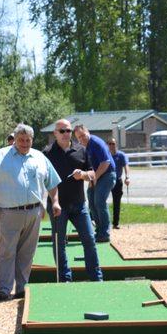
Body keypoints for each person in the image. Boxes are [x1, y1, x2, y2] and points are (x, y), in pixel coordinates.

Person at [0, 124, 61, 301]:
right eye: (21, 140)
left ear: (32, 140)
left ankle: (22, 287)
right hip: (8, 212)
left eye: (28, 140)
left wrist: (55, 201)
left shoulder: (39, 157)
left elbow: (52, 182)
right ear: (14, 140)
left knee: (27, 252)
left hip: (34, 211)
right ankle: (4, 288)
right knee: (6, 251)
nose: (24, 143)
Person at [43, 119, 103, 281]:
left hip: (79, 205)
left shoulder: (82, 150)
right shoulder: (47, 153)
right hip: (57, 206)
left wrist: (83, 175)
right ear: (55, 133)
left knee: (89, 239)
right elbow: (42, 180)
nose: (65, 134)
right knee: (59, 243)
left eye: (68, 130)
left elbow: (93, 175)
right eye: (61, 131)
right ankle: (65, 278)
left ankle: (96, 277)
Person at [73, 124, 117, 242]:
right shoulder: (85, 147)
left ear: (88, 131)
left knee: (99, 201)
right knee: (91, 201)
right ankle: (99, 231)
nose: (81, 139)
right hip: (98, 175)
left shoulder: (96, 142)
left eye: (83, 135)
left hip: (107, 174)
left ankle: (105, 233)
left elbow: (105, 163)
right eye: (79, 137)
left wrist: (94, 178)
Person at [107, 137, 130, 229]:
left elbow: (126, 166)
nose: (112, 145)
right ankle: (101, 222)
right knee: (100, 200)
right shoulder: (106, 155)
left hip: (117, 181)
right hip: (106, 180)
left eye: (113, 143)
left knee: (116, 202)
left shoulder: (121, 155)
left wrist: (127, 177)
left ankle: (115, 223)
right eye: (110, 144)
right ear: (107, 145)